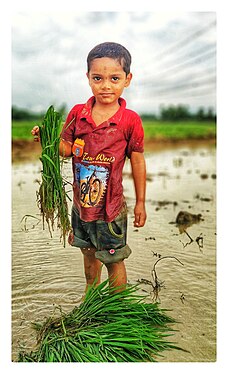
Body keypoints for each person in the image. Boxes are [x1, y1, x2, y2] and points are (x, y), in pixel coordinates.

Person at [32, 42, 147, 292]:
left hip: (111, 209)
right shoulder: (78, 113)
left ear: (127, 79)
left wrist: (141, 202)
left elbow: (137, 160)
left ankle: (117, 309)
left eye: (114, 78)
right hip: (81, 205)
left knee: (114, 260)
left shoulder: (130, 120)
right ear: (88, 78)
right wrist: (48, 137)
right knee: (88, 255)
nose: (106, 85)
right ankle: (91, 300)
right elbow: (64, 149)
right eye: (98, 78)